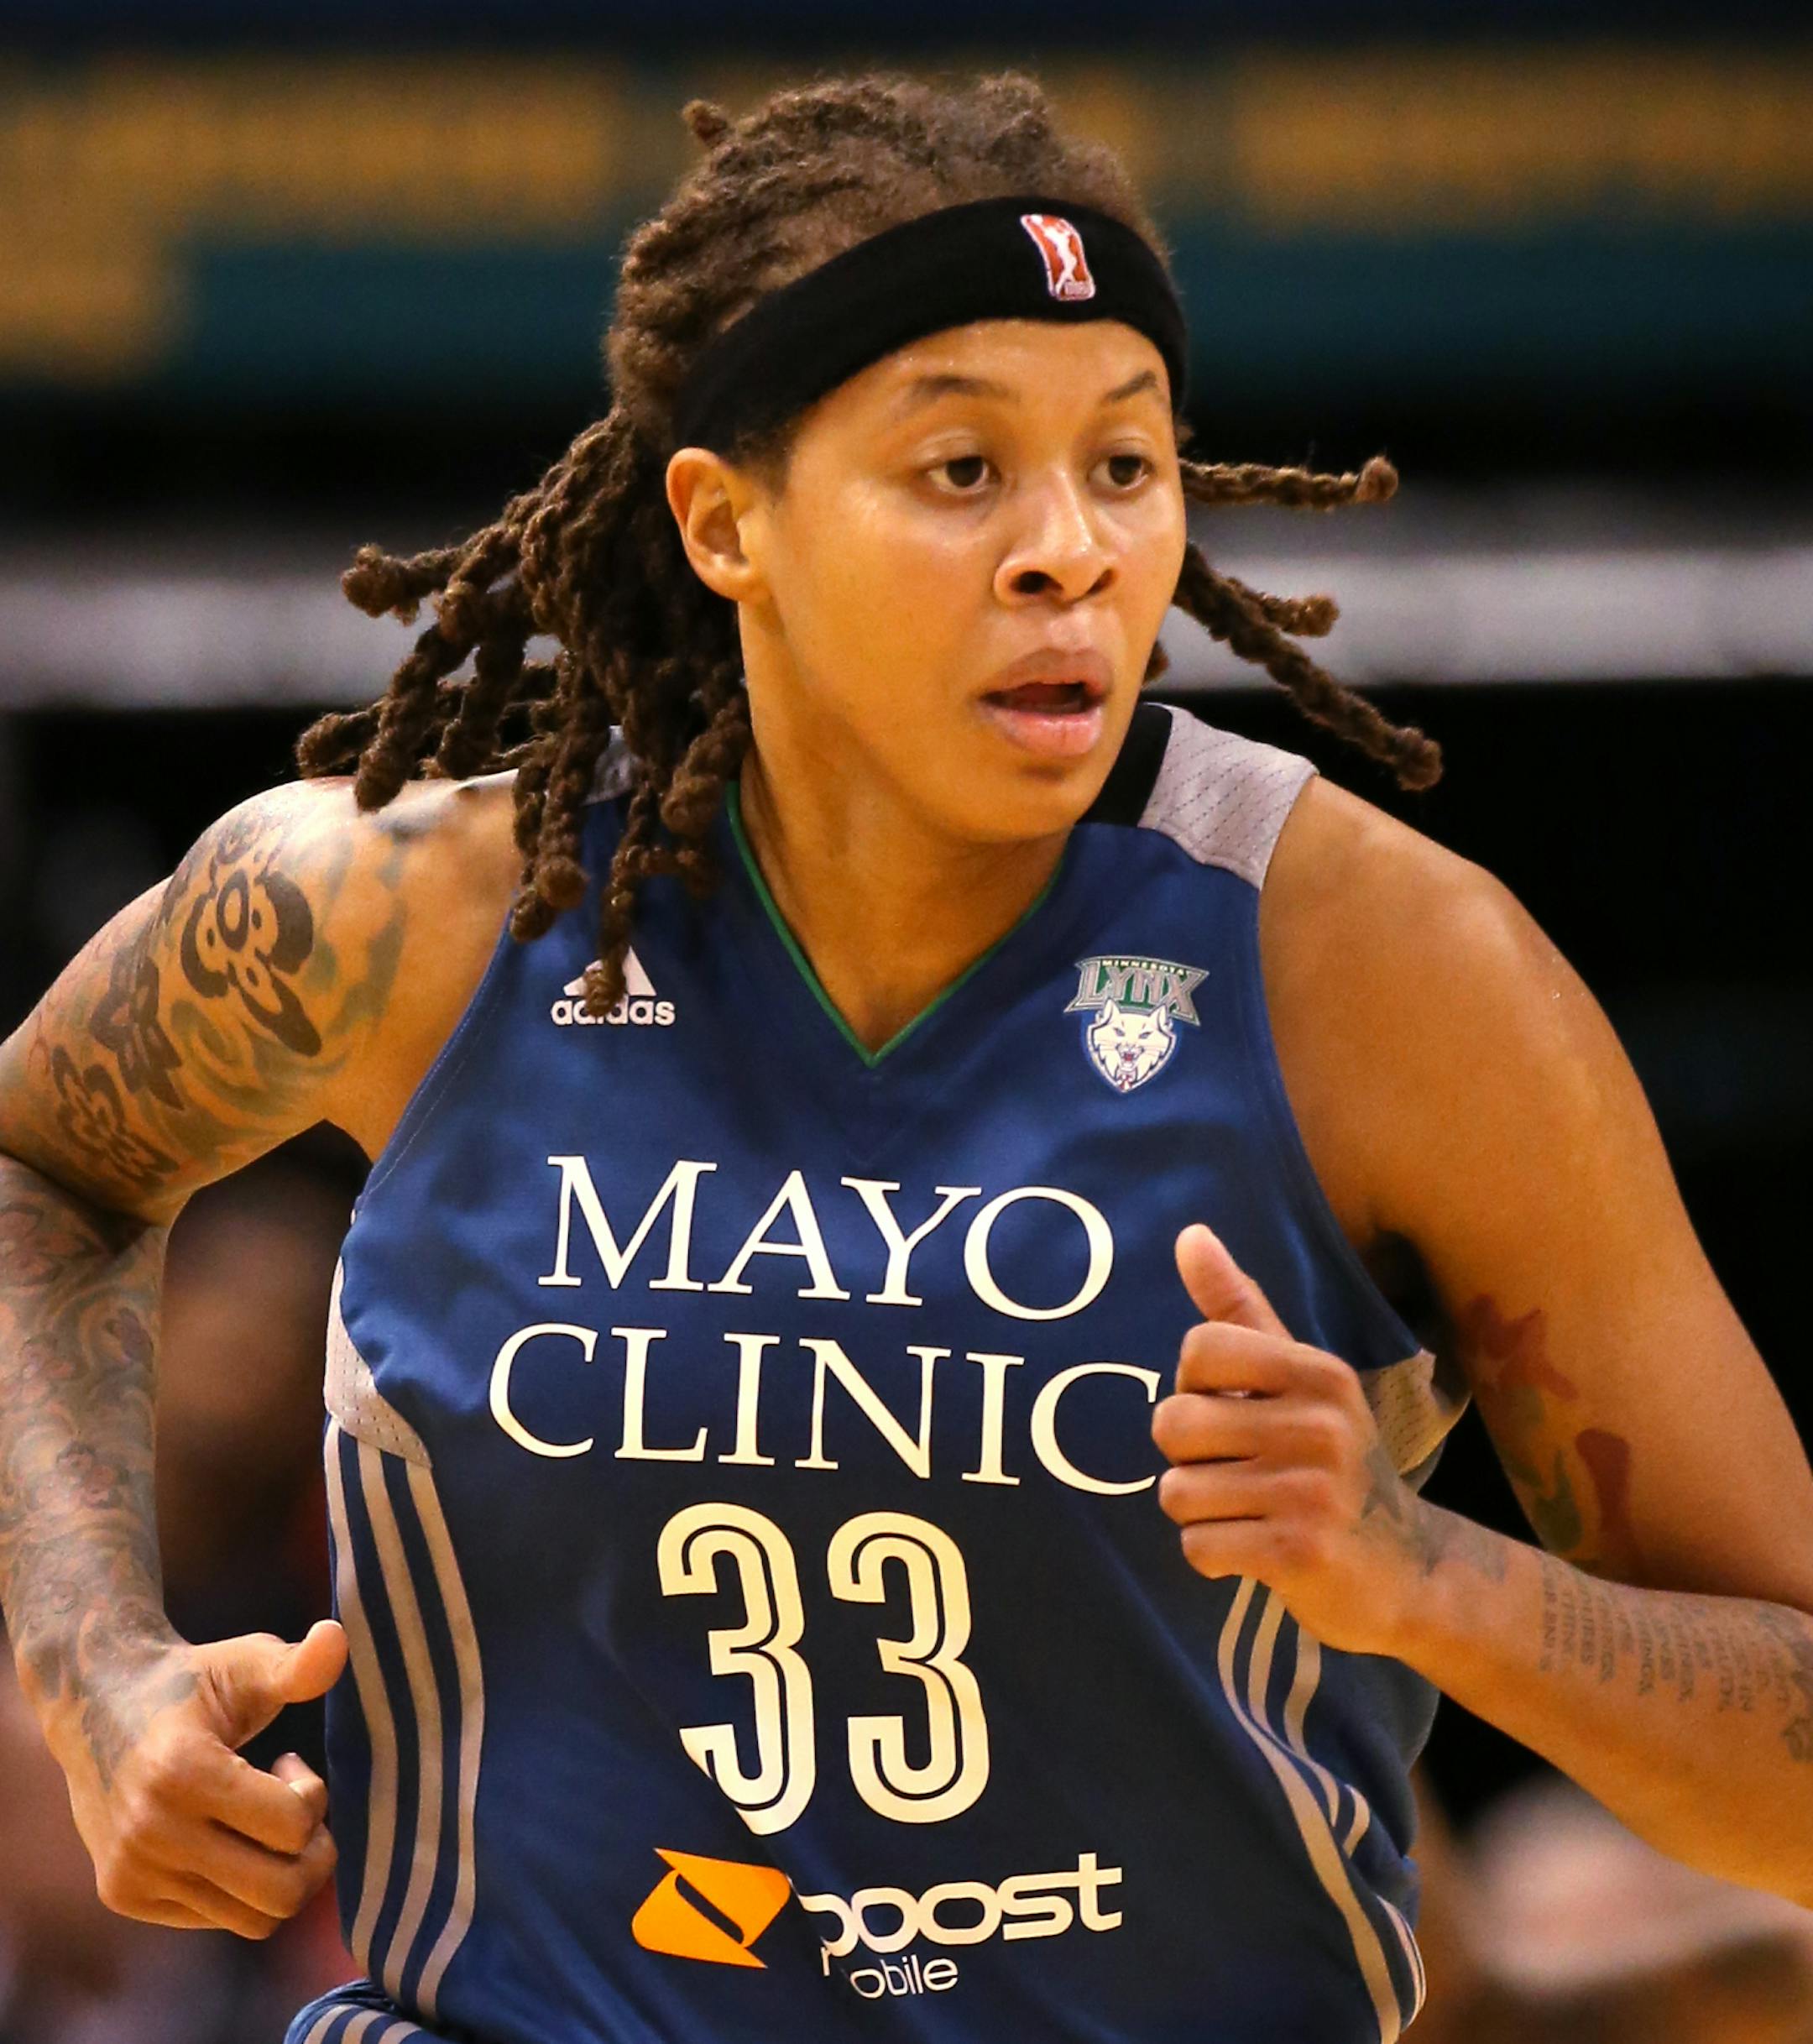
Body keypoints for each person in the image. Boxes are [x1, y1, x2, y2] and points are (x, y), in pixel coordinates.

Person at [1, 68, 1810, 2044]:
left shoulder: (1386, 977)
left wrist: (1425, 1576)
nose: (1072, 553)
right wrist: (94, 1674)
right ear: (723, 522)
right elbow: (39, 1165)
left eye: (1126, 467)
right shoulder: (407, 921)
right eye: (963, 471)